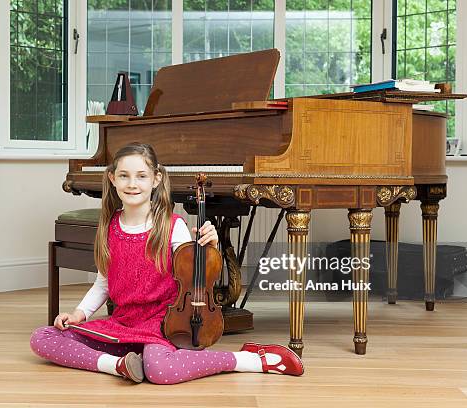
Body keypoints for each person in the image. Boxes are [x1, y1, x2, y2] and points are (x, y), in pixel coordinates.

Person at [30, 142, 303, 384]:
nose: (132, 184)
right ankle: (118, 366)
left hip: (163, 323)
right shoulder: (109, 226)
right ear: (112, 179)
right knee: (42, 337)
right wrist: (79, 314)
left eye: (141, 176)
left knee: (160, 370)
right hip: (123, 323)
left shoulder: (173, 226)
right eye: (124, 176)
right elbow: (103, 283)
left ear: (156, 179)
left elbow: (197, 277)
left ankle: (249, 360)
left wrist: (209, 246)